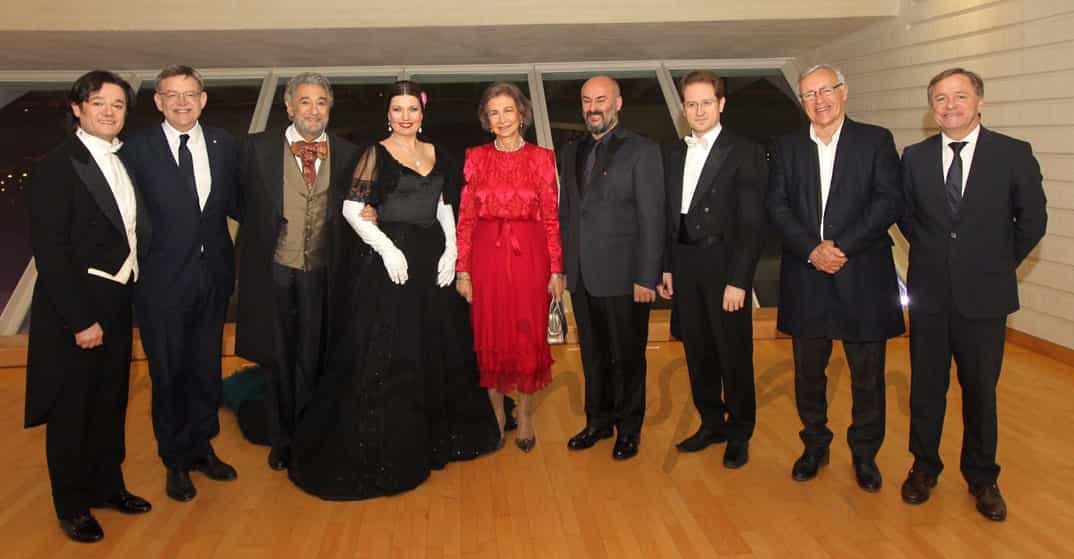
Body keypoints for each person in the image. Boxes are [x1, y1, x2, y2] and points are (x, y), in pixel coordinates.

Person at [287, 80, 501, 500]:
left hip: (430, 261)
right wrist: (386, 249)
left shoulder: (438, 154)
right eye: (398, 110)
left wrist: (451, 253)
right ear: (388, 115)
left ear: (423, 115)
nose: (406, 117)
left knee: (434, 346)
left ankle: (433, 436)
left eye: (413, 110)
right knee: (389, 351)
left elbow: (444, 208)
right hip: (389, 262)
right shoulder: (375, 153)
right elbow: (352, 210)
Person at [898, 68, 1047, 521]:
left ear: (980, 101)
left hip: (986, 297)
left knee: (980, 390)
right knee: (927, 387)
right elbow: (907, 218)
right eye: (940, 99)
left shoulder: (1012, 154)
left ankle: (983, 476)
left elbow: (1033, 221)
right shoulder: (915, 157)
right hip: (929, 295)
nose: (950, 106)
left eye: (960, 96)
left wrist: (997, 265)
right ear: (932, 108)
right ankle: (924, 467)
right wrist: (936, 257)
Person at [24, 70, 151, 543]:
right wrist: (81, 320)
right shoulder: (56, 166)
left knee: (109, 402)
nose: (109, 112)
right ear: (77, 108)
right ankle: (72, 505)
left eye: (117, 105)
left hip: (118, 300)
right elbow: (51, 253)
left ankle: (107, 486)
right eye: (99, 103)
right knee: (71, 410)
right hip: (74, 308)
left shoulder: (127, 160)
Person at [767, 64, 904, 492]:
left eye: (826, 90)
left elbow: (888, 201)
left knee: (868, 375)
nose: (819, 100)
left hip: (861, 272)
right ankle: (814, 445)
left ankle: (865, 454)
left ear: (845, 92)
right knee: (808, 372)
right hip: (806, 274)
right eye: (808, 94)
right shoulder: (786, 146)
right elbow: (777, 206)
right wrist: (812, 249)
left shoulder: (876, 140)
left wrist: (839, 247)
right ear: (801, 102)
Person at [122, 65, 240, 502]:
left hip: (213, 280)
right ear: (157, 102)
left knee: (206, 370)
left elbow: (242, 204)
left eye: (190, 94)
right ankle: (174, 460)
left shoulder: (224, 145)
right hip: (160, 284)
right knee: (169, 374)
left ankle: (201, 447)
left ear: (203, 99)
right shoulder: (134, 149)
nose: (182, 102)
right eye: (171, 95)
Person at [235, 72, 360, 471]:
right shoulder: (256, 149)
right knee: (276, 358)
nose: (313, 109)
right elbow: (241, 204)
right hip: (272, 269)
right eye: (304, 101)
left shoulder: (348, 153)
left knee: (316, 355)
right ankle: (281, 438)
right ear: (288, 107)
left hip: (323, 272)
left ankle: (312, 432)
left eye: (321, 102)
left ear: (329, 108)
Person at [657, 70, 766, 468]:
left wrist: (740, 280)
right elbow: (671, 219)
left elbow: (754, 225)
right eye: (691, 103)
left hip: (724, 265)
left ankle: (740, 431)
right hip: (685, 264)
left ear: (722, 104)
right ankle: (711, 423)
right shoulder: (674, 153)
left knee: (732, 352)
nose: (699, 110)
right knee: (697, 350)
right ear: (683, 108)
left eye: (706, 102)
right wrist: (667, 266)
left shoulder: (744, 151)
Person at [558, 75, 664, 461]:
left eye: (601, 99)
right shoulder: (572, 150)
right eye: (587, 100)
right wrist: (564, 268)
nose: (593, 107)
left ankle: (629, 429)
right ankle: (598, 422)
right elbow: (567, 212)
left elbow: (653, 217)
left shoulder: (642, 150)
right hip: (582, 275)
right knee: (594, 355)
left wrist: (646, 276)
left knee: (628, 357)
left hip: (626, 277)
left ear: (618, 103)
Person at [455, 82, 564, 452]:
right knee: (491, 334)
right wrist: (463, 270)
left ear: (522, 115)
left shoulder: (542, 158)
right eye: (494, 112)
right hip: (485, 255)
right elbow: (465, 219)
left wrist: (556, 269)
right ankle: (498, 415)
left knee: (528, 335)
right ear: (486, 119)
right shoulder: (474, 157)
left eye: (508, 111)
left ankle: (528, 415)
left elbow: (552, 218)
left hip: (530, 254)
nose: (501, 119)